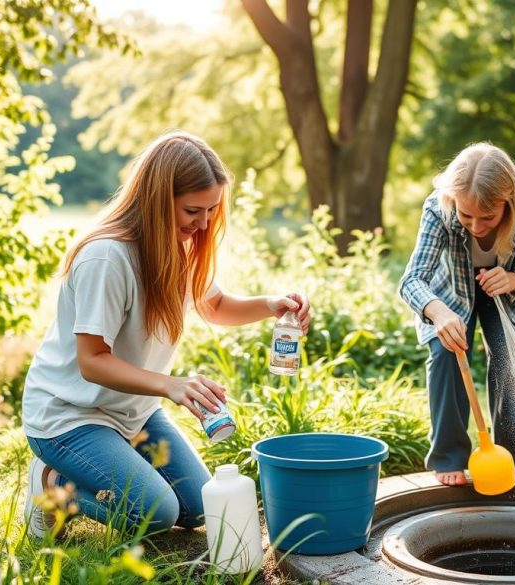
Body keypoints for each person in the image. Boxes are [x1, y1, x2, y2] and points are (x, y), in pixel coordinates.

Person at [21, 131, 311, 538]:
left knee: (196, 507)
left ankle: (100, 468)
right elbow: (91, 361)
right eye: (193, 210)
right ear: (157, 199)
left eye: (211, 210)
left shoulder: (181, 244)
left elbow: (215, 304)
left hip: (131, 411)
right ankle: (53, 485)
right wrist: (171, 385)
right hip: (69, 415)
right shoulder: (107, 257)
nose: (204, 223)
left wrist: (272, 304)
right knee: (156, 513)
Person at [398, 143, 515, 487]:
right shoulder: (439, 208)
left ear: (508, 202)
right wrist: (437, 312)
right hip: (450, 292)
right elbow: (412, 280)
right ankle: (449, 455)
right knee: (446, 355)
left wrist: (514, 279)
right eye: (466, 216)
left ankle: (513, 452)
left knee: (510, 359)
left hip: (506, 295)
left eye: (487, 217)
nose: (475, 225)